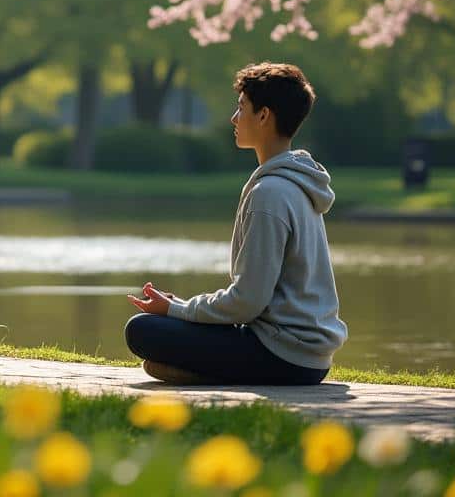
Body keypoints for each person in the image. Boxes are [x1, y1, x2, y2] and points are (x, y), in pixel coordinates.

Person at [124, 62, 348, 385]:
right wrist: (182, 306)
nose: (234, 118)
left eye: (241, 108)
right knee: (160, 340)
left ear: (264, 116)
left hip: (282, 354)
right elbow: (252, 302)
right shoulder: (297, 184)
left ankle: (197, 371)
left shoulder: (270, 194)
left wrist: (176, 312)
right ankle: (192, 369)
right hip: (308, 358)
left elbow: (247, 302)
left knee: (141, 330)